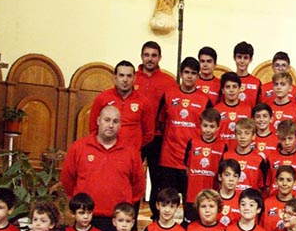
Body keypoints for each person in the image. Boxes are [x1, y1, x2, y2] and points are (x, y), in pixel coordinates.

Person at [62, 104, 146, 231]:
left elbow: (138, 185)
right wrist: (80, 205)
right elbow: (67, 180)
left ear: (120, 125)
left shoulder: (131, 151)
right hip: (87, 217)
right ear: (98, 121)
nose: (111, 125)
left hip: (117, 220)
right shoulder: (78, 147)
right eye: (107, 120)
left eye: (115, 121)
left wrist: (125, 205)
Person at [156, 56, 209, 214]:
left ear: (198, 76)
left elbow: (208, 129)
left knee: (190, 205)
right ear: (180, 73)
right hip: (168, 159)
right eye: (186, 72)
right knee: (167, 203)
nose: (189, 76)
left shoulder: (204, 100)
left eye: (193, 73)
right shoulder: (168, 95)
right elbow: (160, 123)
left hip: (191, 161)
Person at [135, 41, 179, 220]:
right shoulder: (133, 78)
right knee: (135, 177)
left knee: (157, 179)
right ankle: (130, 213)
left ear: (159, 57)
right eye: (147, 55)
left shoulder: (168, 82)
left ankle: (156, 216)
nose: (150, 59)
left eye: (154, 55)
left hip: (158, 137)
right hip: (135, 137)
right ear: (141, 56)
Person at [89, 60, 156, 156]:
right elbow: (93, 128)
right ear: (115, 77)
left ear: (134, 78)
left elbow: (148, 134)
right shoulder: (102, 98)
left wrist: (134, 146)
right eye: (121, 75)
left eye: (129, 76)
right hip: (105, 153)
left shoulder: (144, 102)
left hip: (132, 155)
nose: (125, 80)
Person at [232, 41, 261, 108]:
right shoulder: (228, 81)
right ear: (234, 58)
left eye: (245, 58)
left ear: (250, 59)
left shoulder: (257, 82)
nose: (242, 61)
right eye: (239, 57)